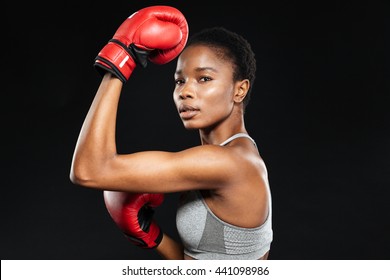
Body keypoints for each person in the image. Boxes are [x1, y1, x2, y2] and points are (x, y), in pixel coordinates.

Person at [70, 5, 273, 260]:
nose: (185, 92)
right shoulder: (230, 155)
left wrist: (120, 60)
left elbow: (89, 171)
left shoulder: (230, 163)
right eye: (180, 80)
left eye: (204, 79)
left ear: (239, 90)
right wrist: (153, 238)